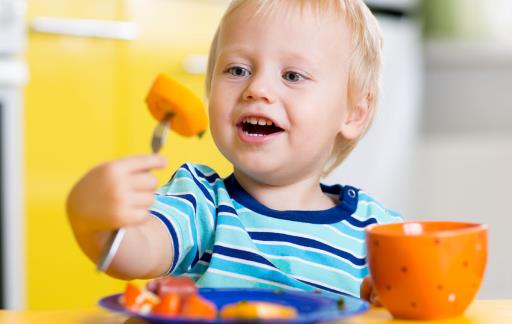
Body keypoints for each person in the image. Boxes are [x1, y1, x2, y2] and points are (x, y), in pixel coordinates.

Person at [66, 0, 402, 303]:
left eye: (292, 75)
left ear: (354, 112)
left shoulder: (378, 235)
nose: (257, 89)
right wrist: (92, 219)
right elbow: (136, 252)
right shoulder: (199, 203)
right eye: (237, 70)